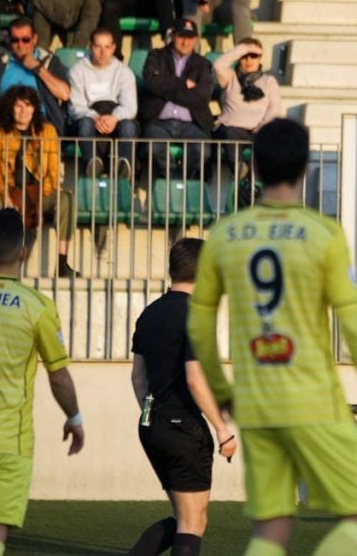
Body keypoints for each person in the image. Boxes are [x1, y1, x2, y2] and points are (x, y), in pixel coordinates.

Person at [187, 118, 357, 556]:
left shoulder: (224, 235)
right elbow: (352, 323)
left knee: (270, 532)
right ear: (304, 170)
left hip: (256, 403)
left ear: (254, 168)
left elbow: (199, 324)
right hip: (314, 400)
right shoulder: (324, 233)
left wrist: (223, 391)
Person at [127, 237, 238, 556]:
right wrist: (222, 429)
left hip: (152, 427)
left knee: (183, 517)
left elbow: (138, 377)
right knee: (192, 522)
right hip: (184, 429)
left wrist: (154, 415)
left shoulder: (149, 313)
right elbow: (195, 378)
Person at [0, 208, 85, 554]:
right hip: (8, 442)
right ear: (23, 253)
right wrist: (74, 418)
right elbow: (58, 377)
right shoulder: (37, 306)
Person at [0, 86, 78, 278]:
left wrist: (37, 198)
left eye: (28, 106)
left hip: (39, 192)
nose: (23, 111)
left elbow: (53, 172)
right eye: (19, 106)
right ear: (10, 108)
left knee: (66, 199)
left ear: (35, 108)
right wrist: (7, 196)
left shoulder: (47, 131)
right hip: (10, 192)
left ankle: (62, 262)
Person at [138, 18, 215, 178]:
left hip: (192, 124)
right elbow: (152, 83)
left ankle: (183, 180)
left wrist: (166, 89)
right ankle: (171, 180)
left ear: (196, 39)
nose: (185, 42)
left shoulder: (203, 64)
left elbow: (202, 97)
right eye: (181, 36)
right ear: (173, 36)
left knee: (202, 150)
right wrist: (183, 84)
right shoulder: (156, 56)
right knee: (155, 146)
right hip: (158, 122)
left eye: (190, 37)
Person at [68, 27, 138, 179]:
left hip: (115, 116)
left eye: (107, 47)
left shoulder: (124, 72)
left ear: (113, 48)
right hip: (89, 116)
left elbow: (130, 106)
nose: (103, 52)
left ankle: (124, 167)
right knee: (85, 123)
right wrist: (95, 117)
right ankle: (92, 164)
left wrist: (114, 118)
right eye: (98, 46)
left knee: (129, 125)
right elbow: (76, 106)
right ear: (90, 46)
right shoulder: (77, 70)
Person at [0, 18, 72, 135]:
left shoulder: (50, 62)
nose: (20, 45)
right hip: (4, 121)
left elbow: (64, 94)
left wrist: (37, 68)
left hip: (40, 122)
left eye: (25, 40)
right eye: (15, 40)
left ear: (34, 39)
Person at [212, 37, 281, 171]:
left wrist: (262, 126)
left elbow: (274, 108)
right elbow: (218, 65)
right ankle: (240, 171)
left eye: (254, 56)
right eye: (244, 56)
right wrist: (244, 48)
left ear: (260, 58)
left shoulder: (269, 80)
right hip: (231, 127)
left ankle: (261, 182)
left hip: (258, 129)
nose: (249, 60)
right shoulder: (230, 76)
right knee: (229, 133)